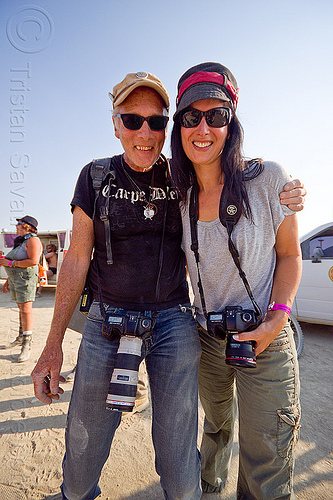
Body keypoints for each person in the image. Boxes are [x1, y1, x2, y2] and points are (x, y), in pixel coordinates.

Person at [31, 71, 305, 500]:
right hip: (114, 320)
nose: (145, 133)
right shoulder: (98, 177)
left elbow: (239, 177)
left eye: (156, 122)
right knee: (83, 453)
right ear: (115, 124)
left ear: (166, 127)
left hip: (175, 321)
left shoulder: (185, 176)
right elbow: (76, 258)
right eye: (132, 120)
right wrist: (51, 348)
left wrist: (288, 193)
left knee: (182, 469)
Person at [170, 62, 302, 500]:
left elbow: (289, 255)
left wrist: (276, 319)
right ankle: (210, 487)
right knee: (217, 425)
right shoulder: (179, 193)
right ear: (179, 127)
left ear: (233, 123)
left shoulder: (268, 180)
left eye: (217, 116)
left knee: (268, 449)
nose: (203, 127)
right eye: (191, 116)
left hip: (265, 336)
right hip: (208, 340)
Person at [0, 215, 43, 362]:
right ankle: (20, 337)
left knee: (26, 309)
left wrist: (8, 263)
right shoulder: (22, 241)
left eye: (19, 223)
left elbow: (33, 261)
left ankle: (27, 344)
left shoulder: (33, 240)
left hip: (26, 280)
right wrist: (7, 281)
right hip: (17, 280)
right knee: (21, 309)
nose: (16, 226)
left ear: (27, 226)